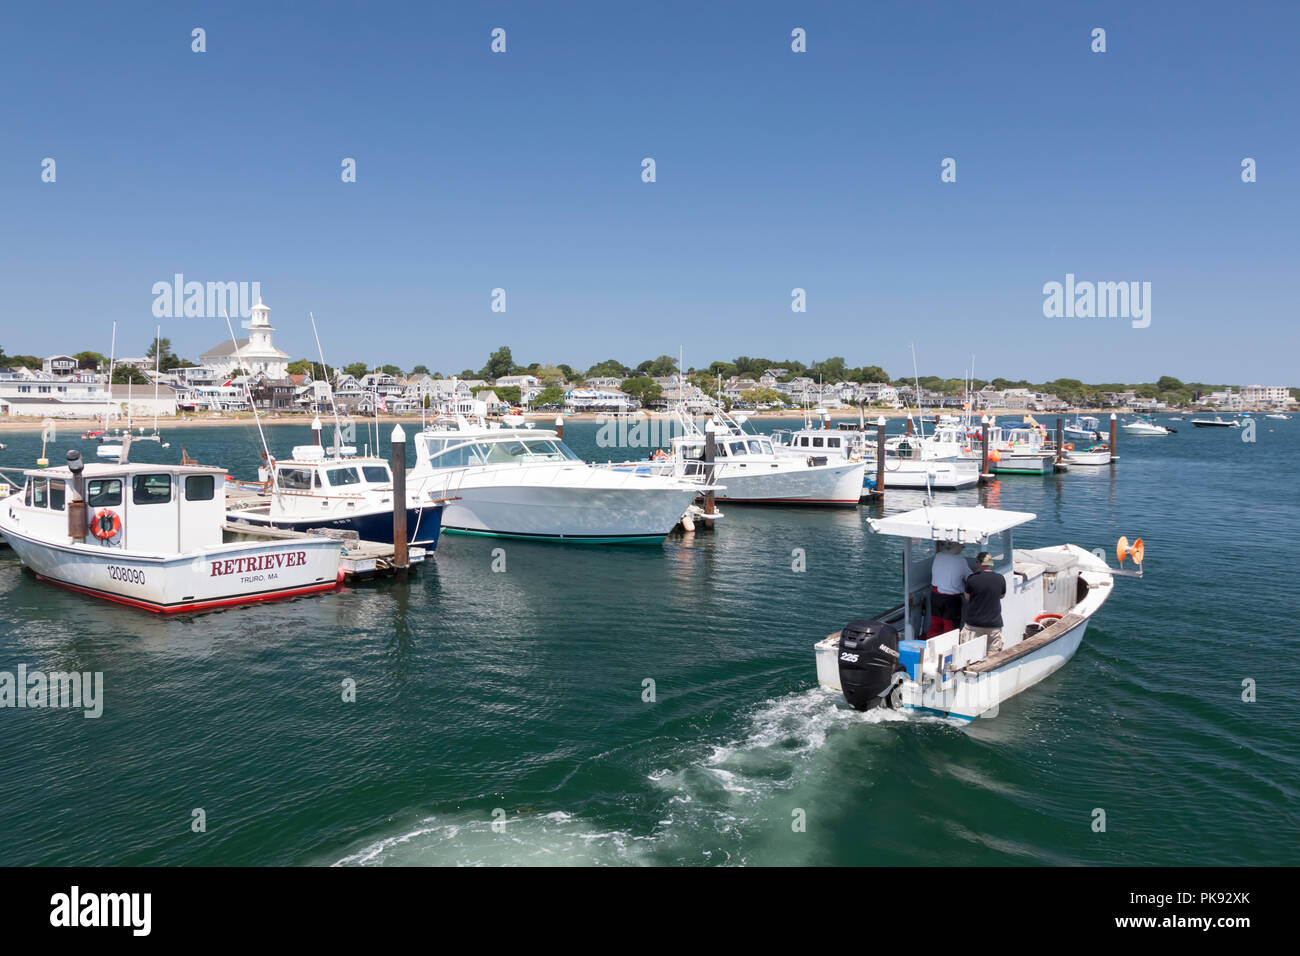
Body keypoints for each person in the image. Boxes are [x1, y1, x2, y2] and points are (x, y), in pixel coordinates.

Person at [962, 551, 1006, 654]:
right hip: (994, 624)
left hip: (974, 624)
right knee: (993, 657)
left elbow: (967, 597)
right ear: (990, 564)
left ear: (979, 563)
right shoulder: (1000, 578)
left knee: (970, 655)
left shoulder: (972, 579)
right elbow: (1002, 595)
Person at [927, 541, 970, 636]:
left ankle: (931, 645)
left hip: (935, 596)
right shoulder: (960, 560)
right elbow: (969, 577)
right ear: (957, 547)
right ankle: (948, 649)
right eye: (962, 547)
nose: (962, 549)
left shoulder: (938, 556)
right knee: (950, 627)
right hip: (951, 599)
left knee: (935, 623)